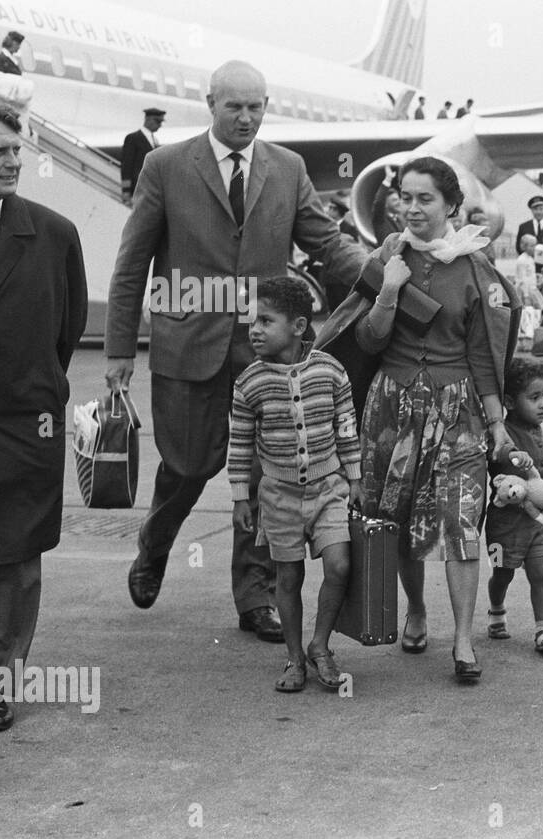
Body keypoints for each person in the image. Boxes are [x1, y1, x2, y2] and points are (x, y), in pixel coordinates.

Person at [104, 60, 366, 643]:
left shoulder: (288, 167)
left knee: (270, 470)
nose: (247, 118)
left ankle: (256, 596)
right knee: (188, 465)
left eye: (257, 107)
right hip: (187, 347)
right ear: (211, 104)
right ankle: (154, 545)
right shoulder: (165, 166)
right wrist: (120, 348)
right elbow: (131, 263)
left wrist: (383, 276)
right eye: (235, 107)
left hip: (265, 352)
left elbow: (325, 244)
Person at [317, 155, 516, 683]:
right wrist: (386, 292)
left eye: (425, 198)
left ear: (452, 205)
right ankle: (417, 611)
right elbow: (367, 340)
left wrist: (496, 422)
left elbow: (485, 355)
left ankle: (464, 641)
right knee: (398, 520)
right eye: (405, 196)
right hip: (392, 407)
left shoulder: (476, 267)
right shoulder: (387, 255)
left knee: (461, 522)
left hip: (458, 411)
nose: (411, 207)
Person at [0, 105, 88, 733]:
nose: (11, 160)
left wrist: (36, 388)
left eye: (14, 150)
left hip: (27, 420)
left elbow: (69, 327)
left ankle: (3, 679)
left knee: (18, 553)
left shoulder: (53, 234)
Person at [228, 277, 360, 693]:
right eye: (252, 321)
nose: (254, 329)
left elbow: (347, 429)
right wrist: (239, 499)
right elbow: (240, 445)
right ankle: (294, 657)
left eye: (266, 320)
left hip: (329, 489)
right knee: (287, 579)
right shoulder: (249, 382)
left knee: (339, 564)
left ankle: (320, 644)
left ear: (299, 326)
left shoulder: (330, 371)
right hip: (278, 496)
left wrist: (354, 478)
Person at [486, 357, 543, 656]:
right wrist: (512, 455)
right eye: (534, 398)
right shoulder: (501, 432)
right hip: (505, 523)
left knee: (539, 573)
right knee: (502, 573)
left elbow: (542, 479)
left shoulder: (541, 436)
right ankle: (496, 611)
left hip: (535, 522)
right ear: (509, 401)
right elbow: (499, 457)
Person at [120, 107, 165, 205]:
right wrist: (126, 192)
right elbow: (127, 166)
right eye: (158, 122)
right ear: (148, 119)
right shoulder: (133, 138)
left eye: (161, 122)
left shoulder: (155, 141)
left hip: (150, 191)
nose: (160, 125)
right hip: (137, 189)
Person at [513, 233, 543, 353]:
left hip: (531, 289)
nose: (534, 248)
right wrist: (526, 295)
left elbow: (529, 276)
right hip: (525, 291)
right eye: (531, 246)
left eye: (535, 245)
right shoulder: (522, 260)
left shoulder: (530, 259)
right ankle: (525, 342)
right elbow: (522, 279)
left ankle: (529, 340)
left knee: (532, 315)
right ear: (524, 246)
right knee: (526, 316)